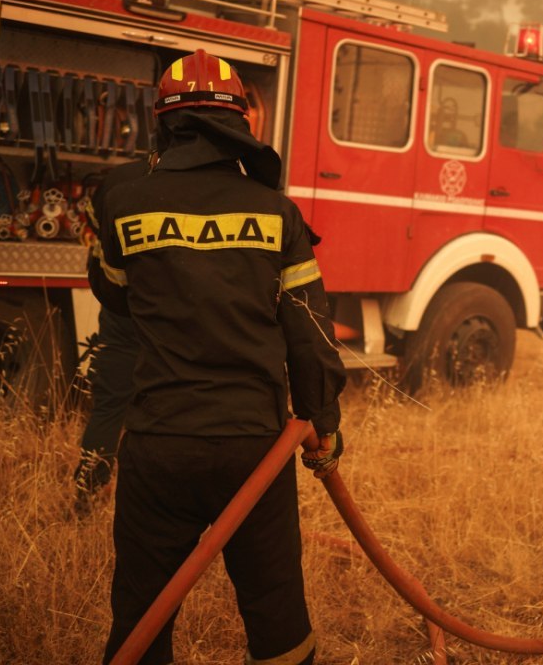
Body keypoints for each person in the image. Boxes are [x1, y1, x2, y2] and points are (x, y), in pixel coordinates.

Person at [92, 49, 347, 665]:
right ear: (240, 122)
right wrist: (324, 425)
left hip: (157, 443)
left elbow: (116, 298)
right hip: (253, 450)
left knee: (142, 615)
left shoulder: (123, 206)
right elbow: (309, 334)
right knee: (276, 613)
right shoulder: (276, 213)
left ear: (164, 123)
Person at [72, 159, 150, 516]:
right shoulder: (206, 179)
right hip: (175, 317)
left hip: (120, 309)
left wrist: (112, 295)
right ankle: (147, 504)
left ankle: (87, 493)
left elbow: (93, 239)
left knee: (109, 404)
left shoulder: (119, 179)